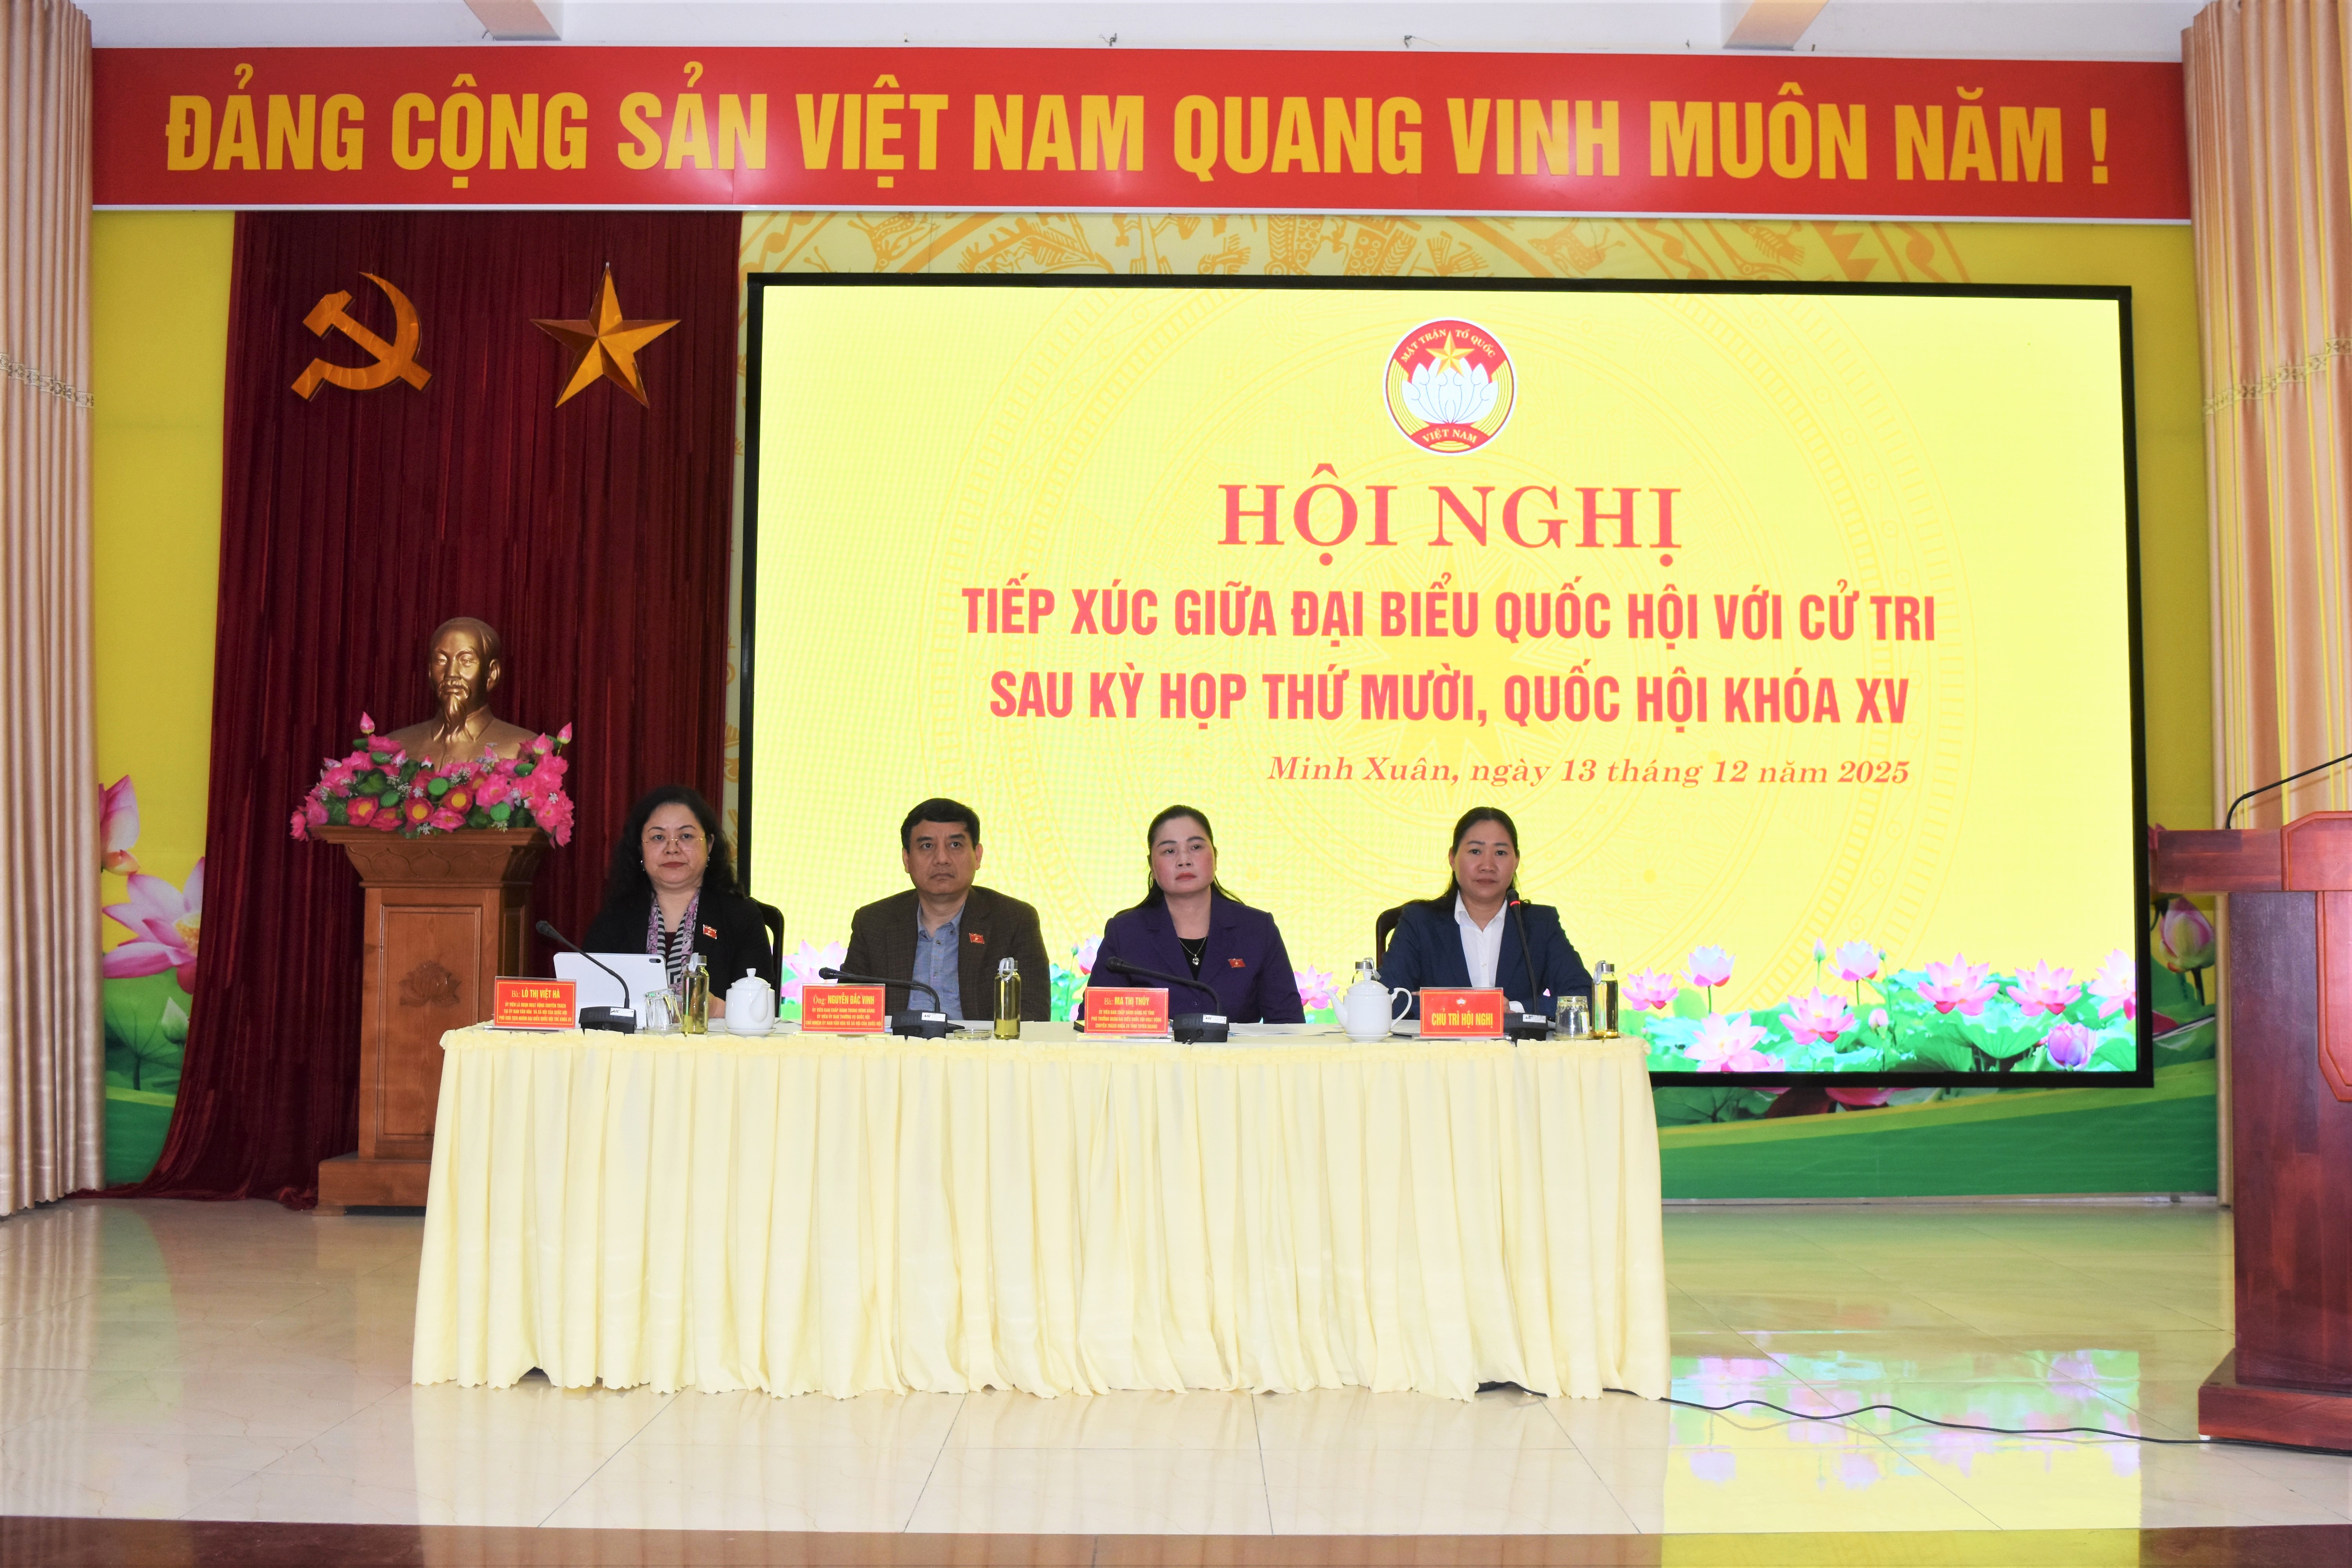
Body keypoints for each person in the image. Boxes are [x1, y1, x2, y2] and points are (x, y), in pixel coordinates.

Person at [843, 798, 1052, 1021]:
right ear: (907, 860)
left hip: (980, 1044)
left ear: (977, 855)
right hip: (897, 1044)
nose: (942, 859)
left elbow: (1034, 1016)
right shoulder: (873, 922)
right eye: (927, 846)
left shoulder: (1014, 921)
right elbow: (848, 1014)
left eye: (955, 845)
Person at [1377, 805, 1592, 1020]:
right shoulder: (1419, 922)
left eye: (1500, 853)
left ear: (1516, 861)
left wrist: (1513, 1009)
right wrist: (1477, 1007)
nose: (1488, 866)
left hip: (1518, 1044)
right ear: (1452, 858)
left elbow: (1585, 998)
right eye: (1475, 852)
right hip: (1442, 1044)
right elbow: (1387, 999)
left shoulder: (1540, 924)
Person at [1094, 805, 1305, 1024]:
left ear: (1215, 857)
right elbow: (1096, 1023)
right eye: (1169, 851)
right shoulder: (1125, 933)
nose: (1184, 860)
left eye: (1195, 847)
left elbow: (1288, 1024)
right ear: (1152, 867)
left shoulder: (1258, 930)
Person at [583, 785, 776, 1015]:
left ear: (709, 845)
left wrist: (713, 1008)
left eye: (686, 836)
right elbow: (589, 999)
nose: (672, 849)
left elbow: (762, 1008)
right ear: (640, 849)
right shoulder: (614, 919)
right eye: (658, 837)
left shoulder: (740, 916)